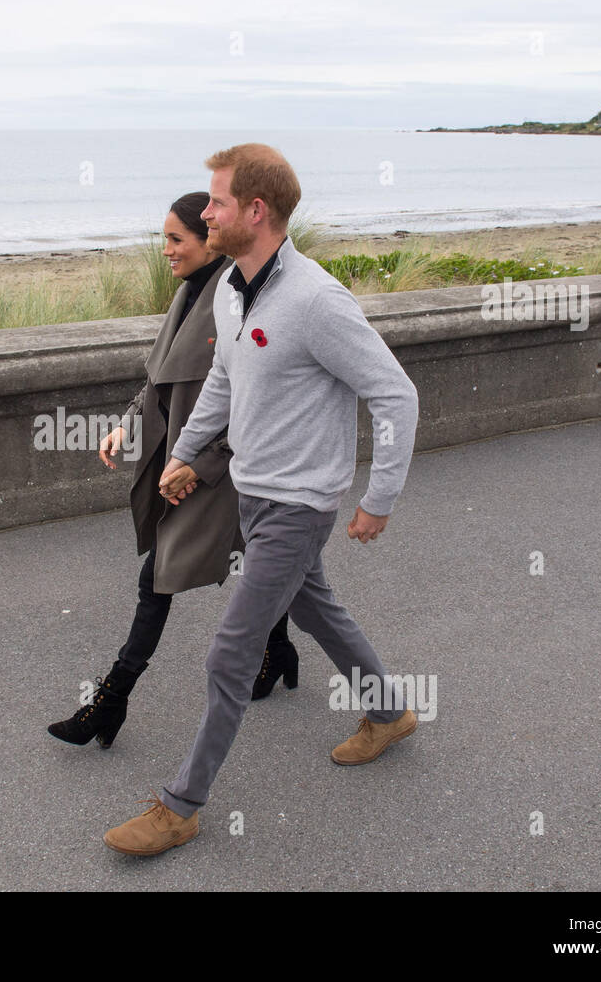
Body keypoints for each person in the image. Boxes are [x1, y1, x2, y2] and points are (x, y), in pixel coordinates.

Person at [103, 144, 421, 856]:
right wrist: (185, 453)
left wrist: (380, 495)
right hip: (253, 494)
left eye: (215, 202)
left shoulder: (315, 300)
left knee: (230, 651)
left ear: (256, 210)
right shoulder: (233, 287)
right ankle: (391, 711)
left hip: (301, 504)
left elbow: (395, 392)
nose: (205, 211)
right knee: (318, 609)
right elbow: (223, 377)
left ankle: (180, 805)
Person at [47, 192, 297, 750]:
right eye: (163, 239)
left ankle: (109, 702)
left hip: (220, 470)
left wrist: (200, 466)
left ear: (209, 239)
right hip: (180, 461)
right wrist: (127, 423)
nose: (165, 251)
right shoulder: (189, 294)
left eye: (175, 239)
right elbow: (161, 379)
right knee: (258, 563)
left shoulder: (238, 301)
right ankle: (279, 650)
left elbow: (254, 399)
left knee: (158, 578)